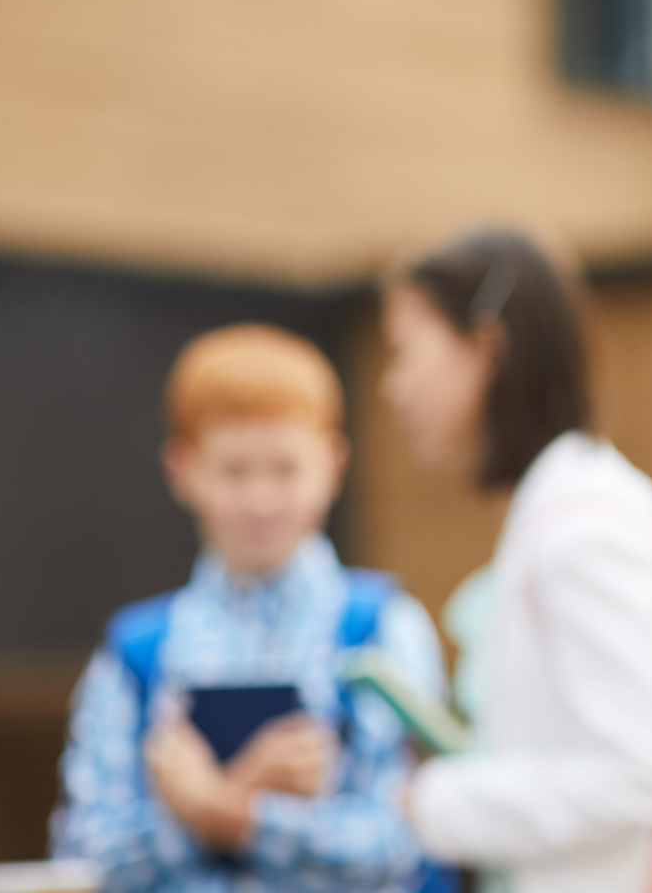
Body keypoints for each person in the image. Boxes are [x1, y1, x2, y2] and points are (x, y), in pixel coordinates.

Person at [380, 229, 652, 893]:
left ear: (486, 346)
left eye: (404, 352)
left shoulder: (581, 534)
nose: (392, 387)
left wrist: (440, 802)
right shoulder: (579, 506)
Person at [51, 324, 445, 892]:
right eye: (234, 472)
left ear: (333, 466)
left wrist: (217, 806)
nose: (260, 499)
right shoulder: (135, 652)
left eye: (285, 470)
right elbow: (85, 852)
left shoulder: (382, 628)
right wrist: (247, 794)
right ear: (182, 469)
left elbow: (404, 842)